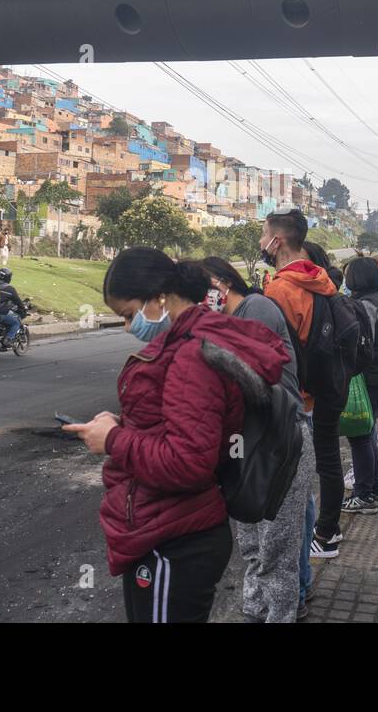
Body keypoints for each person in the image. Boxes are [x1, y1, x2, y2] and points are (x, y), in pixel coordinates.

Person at [64, 249, 288, 622]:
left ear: (159, 298)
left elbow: (188, 462)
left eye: (129, 314)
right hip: (169, 528)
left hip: (176, 540)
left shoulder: (191, 355)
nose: (127, 327)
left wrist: (115, 440)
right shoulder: (188, 341)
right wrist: (121, 425)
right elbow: (180, 422)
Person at [200, 256, 314, 623]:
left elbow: (254, 384)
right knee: (252, 546)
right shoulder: (229, 318)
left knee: (275, 552)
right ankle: (253, 612)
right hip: (247, 444)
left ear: (220, 282)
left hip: (280, 443)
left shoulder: (257, 307)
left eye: (201, 290)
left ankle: (280, 614)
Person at [259, 208, 344, 560]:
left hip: (294, 399)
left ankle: (298, 575)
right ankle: (317, 545)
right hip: (320, 389)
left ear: (277, 241)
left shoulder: (280, 290)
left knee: (291, 490)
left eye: (264, 235)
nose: (261, 242)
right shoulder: (320, 279)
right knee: (307, 481)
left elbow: (272, 354)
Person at [339, 257, 378, 517]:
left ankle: (363, 494)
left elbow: (359, 342)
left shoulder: (363, 305)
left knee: (360, 435)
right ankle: (377, 490)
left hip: (368, 374)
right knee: (368, 431)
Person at [0, 267, 25, 344]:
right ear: (8, 278)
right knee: (16, 322)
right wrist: (23, 309)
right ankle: (8, 339)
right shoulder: (9, 288)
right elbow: (17, 301)